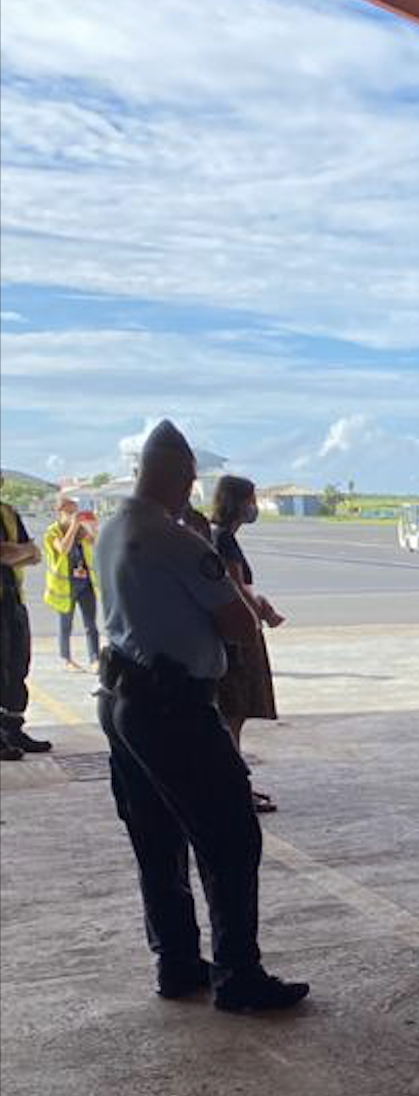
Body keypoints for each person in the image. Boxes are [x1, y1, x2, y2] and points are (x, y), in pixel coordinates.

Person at [96, 420, 307, 1010]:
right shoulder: (175, 539)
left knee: (156, 838)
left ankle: (178, 962)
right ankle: (239, 975)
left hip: (122, 700)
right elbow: (238, 623)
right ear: (184, 476)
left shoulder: (112, 529)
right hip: (174, 706)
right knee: (231, 837)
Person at [211, 477, 285, 814]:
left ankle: (231, 785)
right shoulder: (223, 539)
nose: (254, 506)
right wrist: (262, 613)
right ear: (239, 503)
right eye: (251, 500)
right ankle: (234, 788)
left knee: (230, 716)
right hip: (238, 638)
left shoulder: (215, 535)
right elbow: (236, 587)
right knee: (234, 715)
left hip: (227, 634)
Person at [0, 500, 50, 759]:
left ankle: (12, 729)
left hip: (12, 601)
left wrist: (15, 551)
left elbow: (36, 554)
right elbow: (10, 554)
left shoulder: (7, 512)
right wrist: (21, 551)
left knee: (18, 665)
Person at [43, 497, 100, 671]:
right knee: (65, 624)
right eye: (69, 512)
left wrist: (91, 527)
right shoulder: (52, 532)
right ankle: (67, 659)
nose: (73, 515)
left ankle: (94, 658)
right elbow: (63, 549)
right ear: (59, 513)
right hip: (65, 586)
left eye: (75, 512)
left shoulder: (81, 532)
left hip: (85, 583)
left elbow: (95, 542)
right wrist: (73, 527)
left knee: (91, 624)